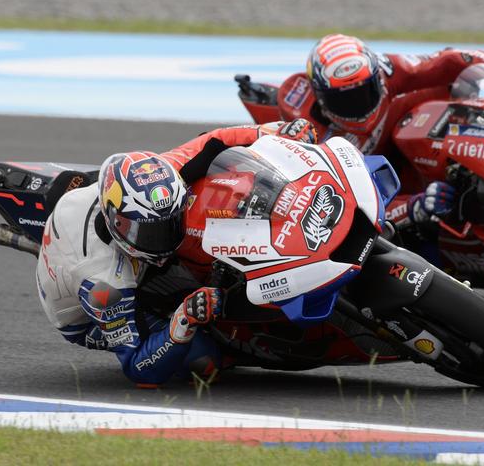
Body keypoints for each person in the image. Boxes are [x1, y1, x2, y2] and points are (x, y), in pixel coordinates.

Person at [35, 119, 317, 386]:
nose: (165, 238)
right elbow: (138, 369)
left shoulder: (159, 175)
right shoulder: (105, 287)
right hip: (88, 314)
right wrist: (183, 321)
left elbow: (214, 141)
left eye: (170, 223)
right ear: (118, 224)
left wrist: (276, 131)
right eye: (150, 232)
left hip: (89, 218)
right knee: (204, 360)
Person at [277, 34, 484, 228]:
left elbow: (445, 61)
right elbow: (350, 207)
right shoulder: (316, 137)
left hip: (406, 137)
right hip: (380, 183)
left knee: (434, 97)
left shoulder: (388, 71)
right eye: (346, 99)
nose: (360, 106)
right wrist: (414, 207)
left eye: (366, 92)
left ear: (376, 77)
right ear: (323, 98)